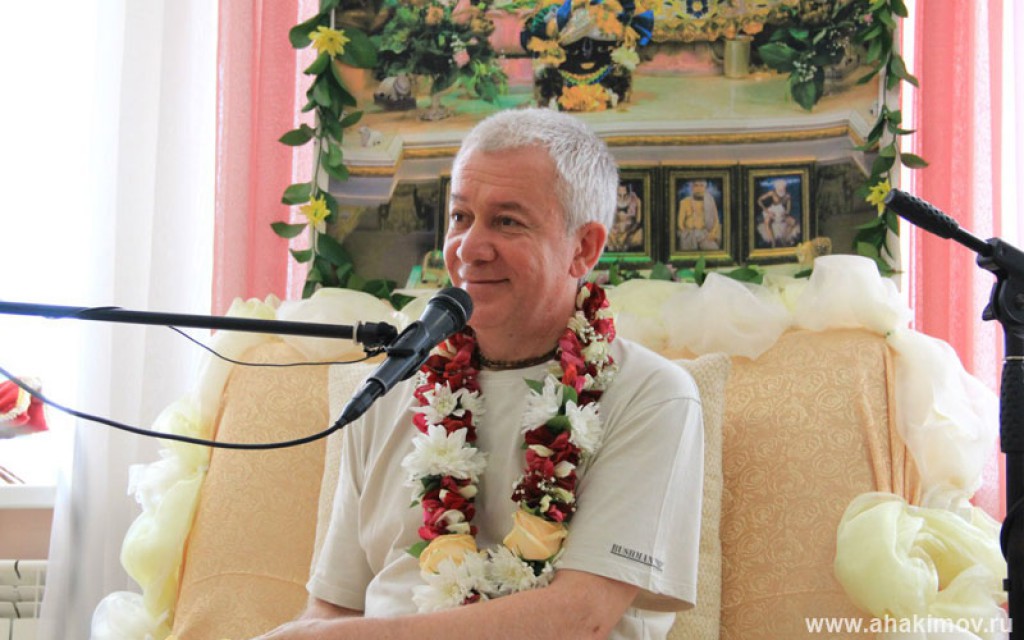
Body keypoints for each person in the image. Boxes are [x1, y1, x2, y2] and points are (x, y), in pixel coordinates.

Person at [255, 108, 704, 640]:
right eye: (460, 216)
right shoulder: (390, 388)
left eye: (507, 221)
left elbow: (581, 618)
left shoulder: (651, 395)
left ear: (583, 248)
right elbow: (334, 608)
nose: (468, 248)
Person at [676, 179, 721, 251]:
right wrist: (686, 234)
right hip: (689, 235)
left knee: (714, 250)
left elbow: (716, 221)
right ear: (692, 188)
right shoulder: (684, 202)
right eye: (696, 185)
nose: (698, 188)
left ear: (705, 188)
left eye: (701, 186)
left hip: (705, 235)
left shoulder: (710, 201)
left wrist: (712, 233)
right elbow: (680, 223)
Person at [606, 182, 643, 252]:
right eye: (619, 195)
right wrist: (612, 237)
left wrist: (626, 235)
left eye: (625, 195)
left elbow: (637, 222)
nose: (622, 198)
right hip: (612, 235)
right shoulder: (608, 200)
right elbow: (604, 222)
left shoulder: (637, 201)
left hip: (629, 234)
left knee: (641, 234)